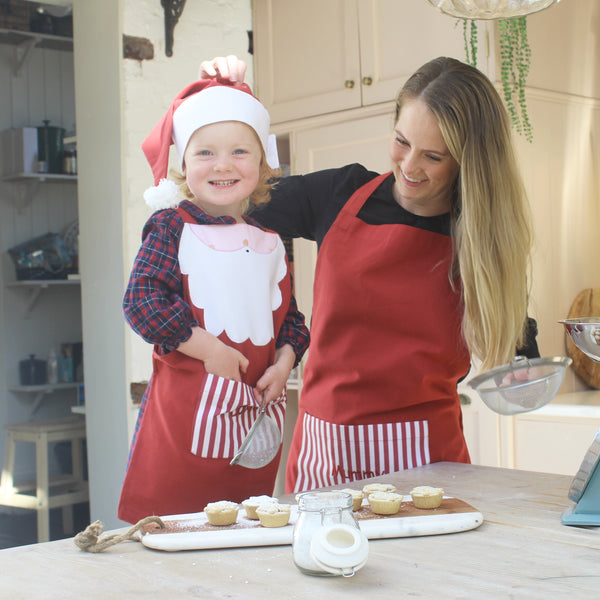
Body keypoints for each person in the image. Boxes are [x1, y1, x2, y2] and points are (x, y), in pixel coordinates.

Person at [200, 55, 539, 495]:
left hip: (427, 457)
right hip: (325, 447)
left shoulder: (478, 233)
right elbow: (224, 205)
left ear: (468, 162)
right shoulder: (336, 194)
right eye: (402, 142)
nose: (410, 166)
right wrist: (225, 108)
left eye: (433, 156)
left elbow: (513, 329)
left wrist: (523, 365)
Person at [118, 77, 310, 523]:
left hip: (253, 417)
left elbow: (292, 322)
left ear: (263, 165)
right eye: (205, 152)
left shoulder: (272, 240)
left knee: (243, 529)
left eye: (240, 151)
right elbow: (142, 300)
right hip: (185, 422)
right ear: (183, 165)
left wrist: (284, 363)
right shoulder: (171, 227)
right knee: (177, 532)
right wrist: (211, 351)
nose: (223, 164)